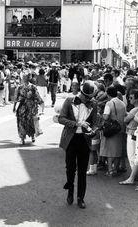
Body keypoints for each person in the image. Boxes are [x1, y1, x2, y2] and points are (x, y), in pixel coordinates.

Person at [58, 81, 98, 209]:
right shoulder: (69, 100)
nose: (90, 99)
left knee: (82, 171)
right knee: (70, 169)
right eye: (88, 97)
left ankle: (81, 198)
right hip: (71, 139)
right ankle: (70, 190)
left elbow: (95, 122)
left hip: (84, 140)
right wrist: (77, 124)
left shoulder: (93, 104)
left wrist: (93, 130)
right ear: (83, 94)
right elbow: (61, 118)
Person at [100, 86, 126, 177]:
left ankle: (110, 170)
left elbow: (106, 117)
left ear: (108, 94)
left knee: (110, 150)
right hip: (121, 128)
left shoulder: (109, 103)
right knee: (118, 149)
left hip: (111, 129)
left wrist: (102, 115)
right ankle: (116, 169)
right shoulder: (122, 103)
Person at [119, 89, 138, 185]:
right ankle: (137, 175)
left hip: (132, 133)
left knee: (132, 155)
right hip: (135, 133)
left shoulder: (135, 109)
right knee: (135, 155)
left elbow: (125, 120)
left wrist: (126, 114)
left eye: (131, 97)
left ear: (136, 99)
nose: (129, 99)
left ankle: (135, 175)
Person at [13, 72, 43, 144]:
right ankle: (22, 138)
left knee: (31, 122)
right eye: (23, 77)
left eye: (26, 77)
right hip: (22, 107)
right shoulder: (20, 87)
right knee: (21, 122)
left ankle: (32, 136)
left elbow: (37, 97)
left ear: (29, 78)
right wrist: (14, 107)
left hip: (31, 107)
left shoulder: (33, 87)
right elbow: (16, 98)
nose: (24, 79)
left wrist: (41, 106)